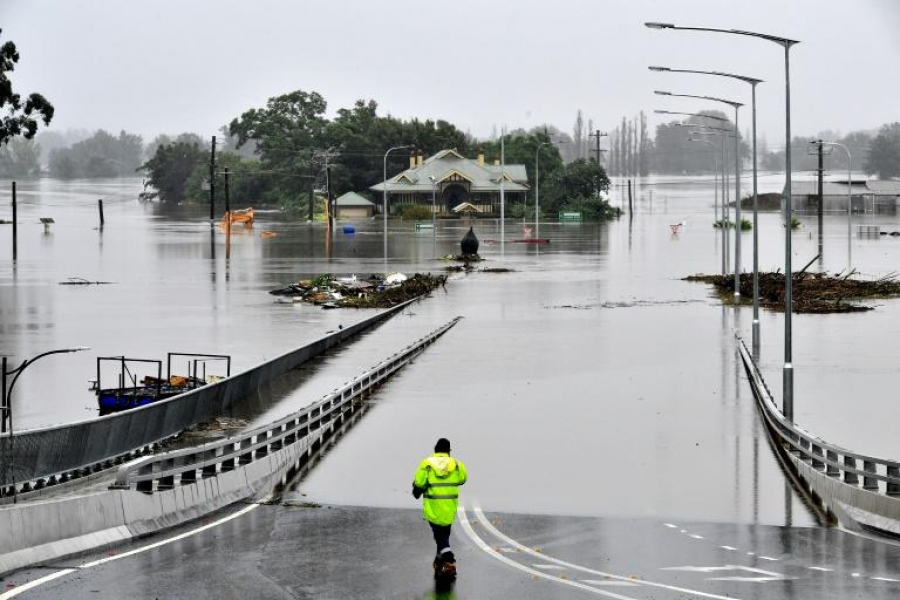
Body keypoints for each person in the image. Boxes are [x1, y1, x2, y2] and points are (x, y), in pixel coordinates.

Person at [412, 438, 467, 579]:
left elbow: (419, 482)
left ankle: (449, 560)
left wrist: (417, 489)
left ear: (435, 450)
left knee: (440, 537)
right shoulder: (456, 464)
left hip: (433, 507)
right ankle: (439, 562)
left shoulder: (427, 463)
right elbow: (463, 479)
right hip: (449, 508)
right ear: (449, 451)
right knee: (443, 536)